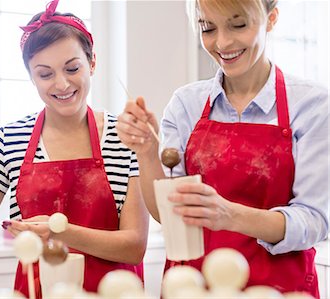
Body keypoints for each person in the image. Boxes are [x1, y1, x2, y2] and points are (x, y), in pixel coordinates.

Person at [116, 0, 328, 297]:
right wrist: (148, 151)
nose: (222, 42)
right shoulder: (186, 104)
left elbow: (314, 221)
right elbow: (168, 215)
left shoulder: (311, 105)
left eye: (238, 25)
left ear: (271, 19)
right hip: (192, 287)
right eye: (208, 28)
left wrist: (229, 215)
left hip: (277, 288)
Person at [0, 0, 149, 297]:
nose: (62, 83)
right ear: (31, 76)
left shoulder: (126, 137)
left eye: (72, 68)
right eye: (45, 74)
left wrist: (59, 231)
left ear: (92, 64)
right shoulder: (8, 141)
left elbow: (134, 247)